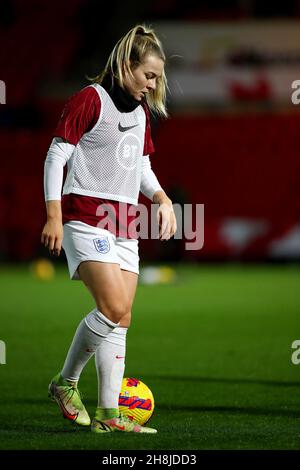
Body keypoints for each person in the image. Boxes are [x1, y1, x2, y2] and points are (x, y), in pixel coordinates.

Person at [41, 24, 177, 434]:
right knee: (113, 308)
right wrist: (53, 216)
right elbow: (55, 155)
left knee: (122, 317)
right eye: (148, 75)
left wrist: (162, 198)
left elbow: (141, 166)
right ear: (126, 65)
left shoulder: (140, 112)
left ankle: (108, 416)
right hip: (85, 216)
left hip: (125, 224)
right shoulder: (91, 99)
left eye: (158, 78)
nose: (153, 85)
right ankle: (65, 383)